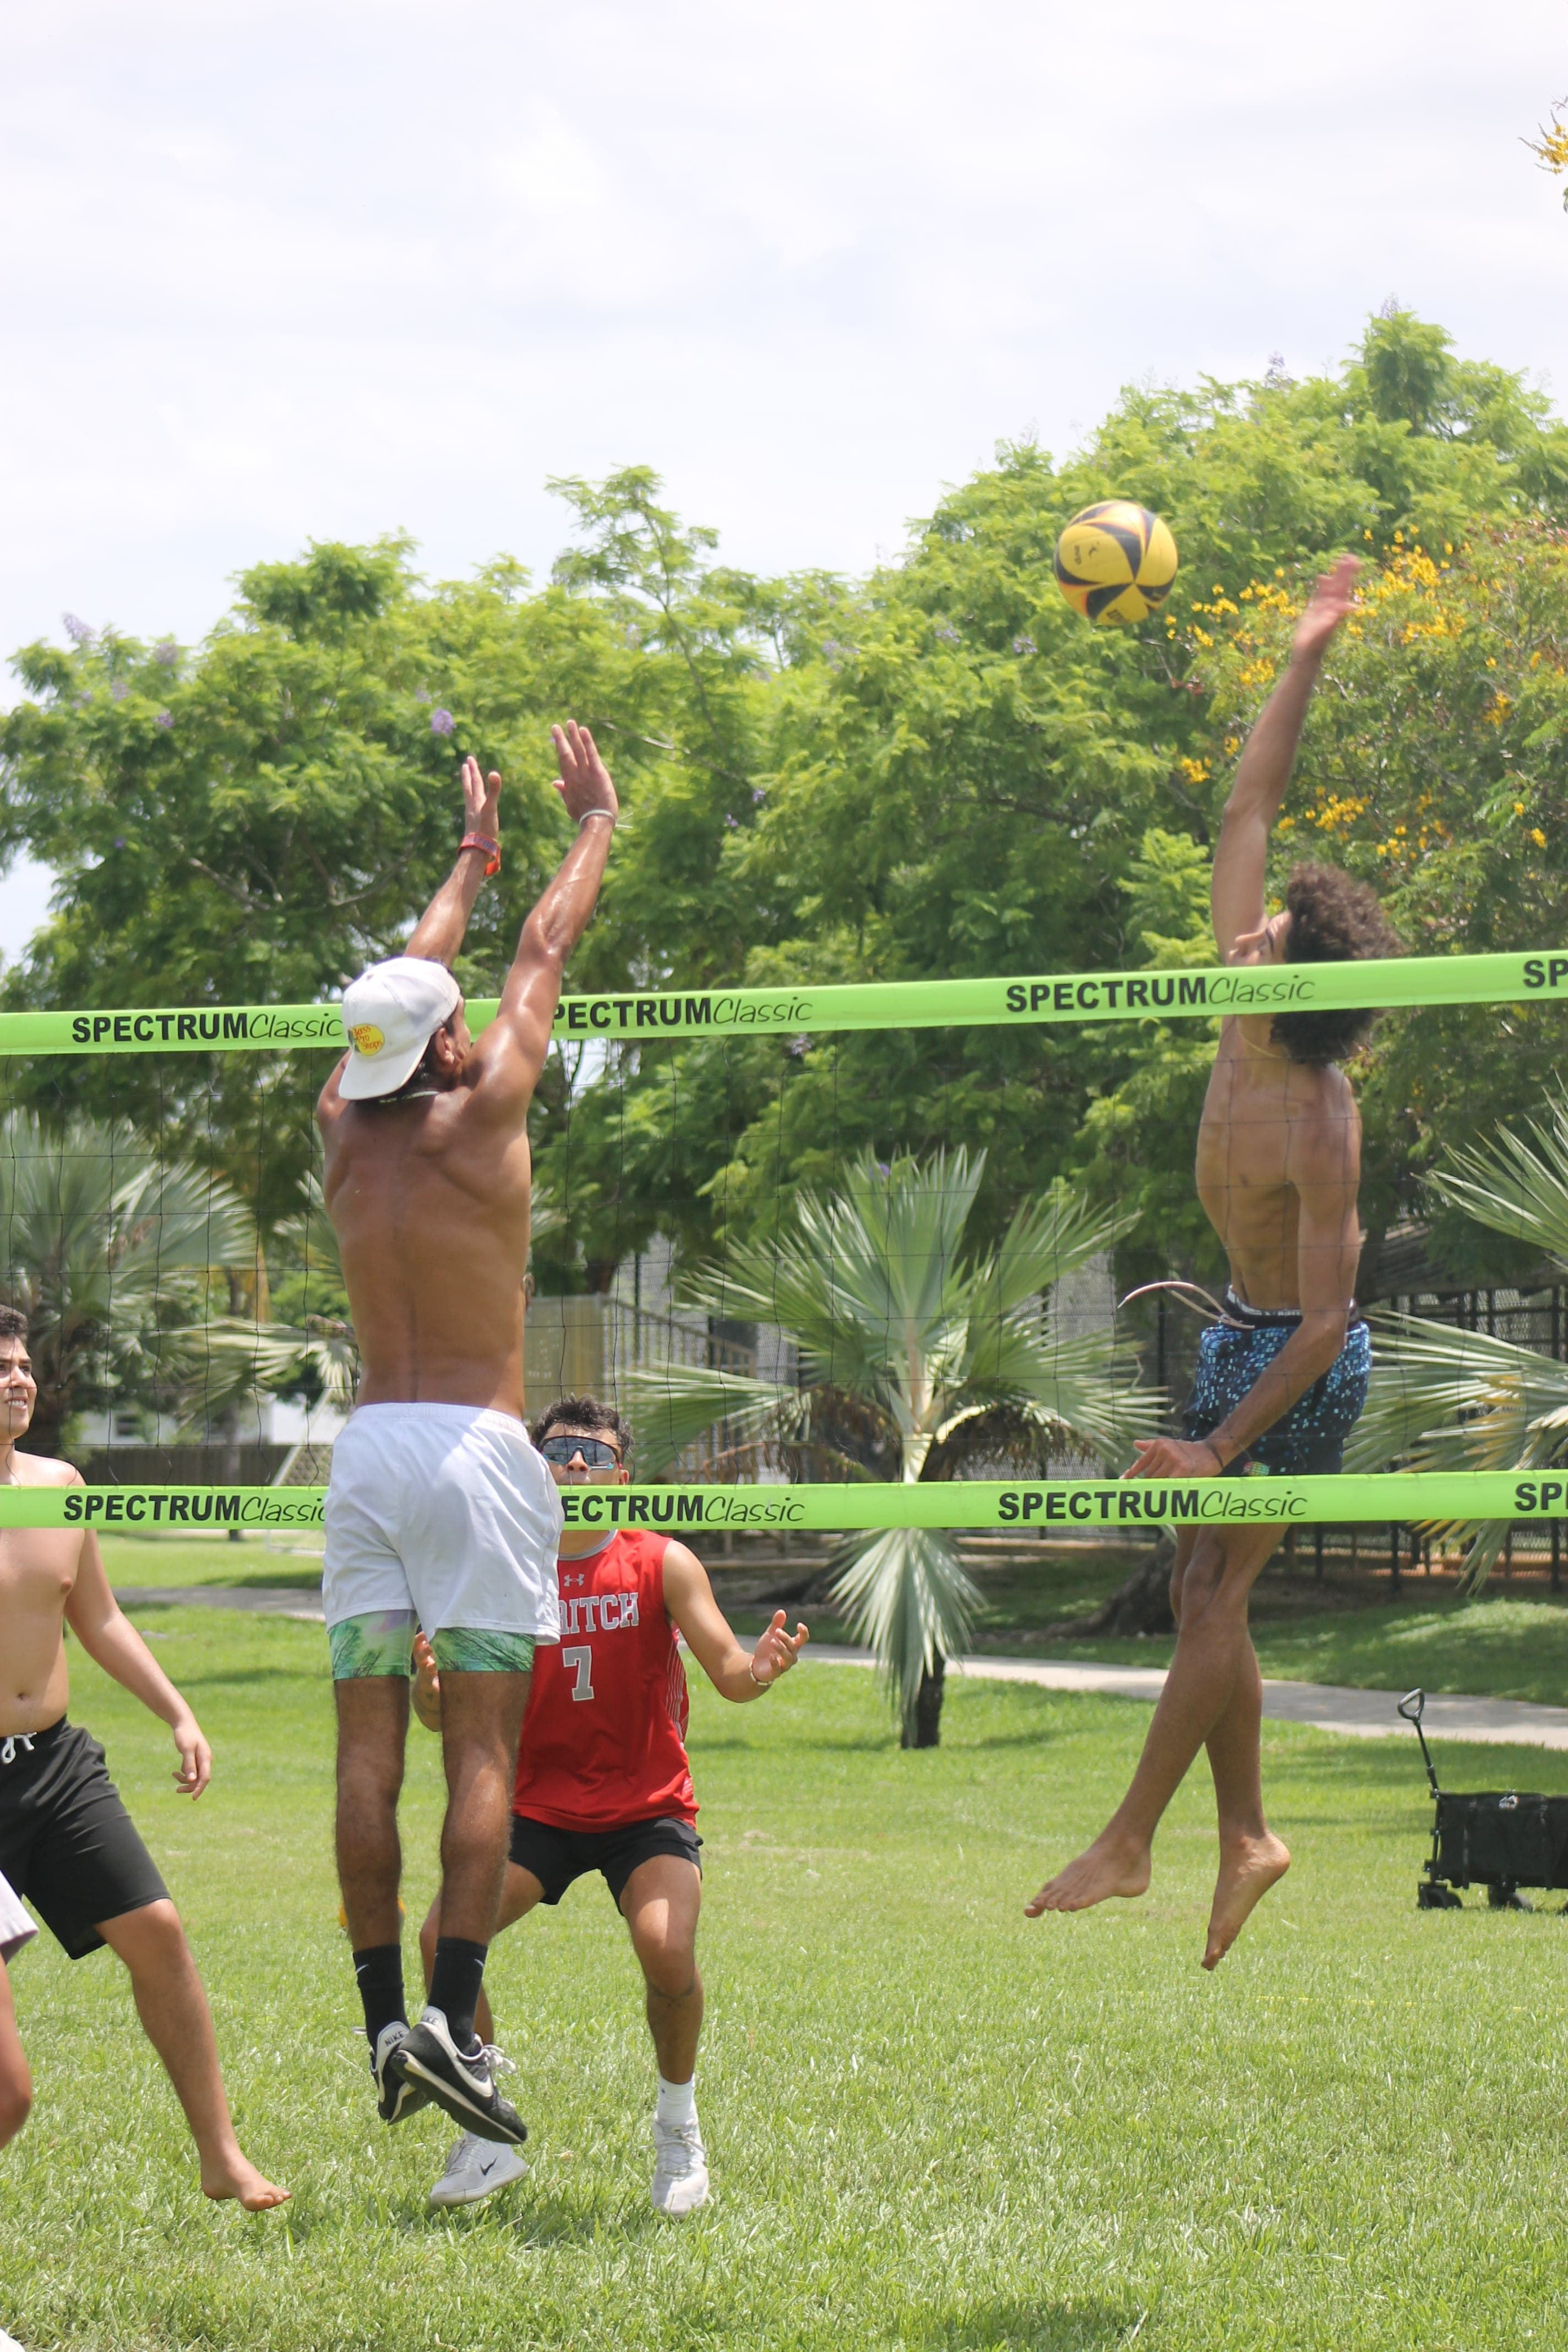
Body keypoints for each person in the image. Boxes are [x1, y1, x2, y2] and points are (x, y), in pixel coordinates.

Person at [1028, 555, 1400, 1968]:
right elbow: (1247, 805)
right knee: (1203, 1596)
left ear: (1296, 986)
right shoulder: (1236, 1013)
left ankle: (1132, 1839)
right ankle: (1245, 1835)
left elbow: (1326, 1320)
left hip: (1302, 1362)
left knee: (1208, 1595)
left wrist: (1219, 1444)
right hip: (1242, 1331)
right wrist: (1305, 650)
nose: (1244, 931)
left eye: (1271, 936)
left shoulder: (1318, 1119)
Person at [319, 726, 618, 2147]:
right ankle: (452, 2016)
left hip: (368, 1448)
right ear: (445, 1041)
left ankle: (385, 2018)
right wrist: (591, 826)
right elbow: (543, 947)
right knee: (484, 1747)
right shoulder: (485, 1106)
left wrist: (469, 855)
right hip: (475, 1453)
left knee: (365, 1751)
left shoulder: (341, 1122)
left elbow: (404, 984)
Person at [410, 1395, 808, 2214]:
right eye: (559, 1451)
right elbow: (442, 1713)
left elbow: (732, 1677)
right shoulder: (503, 1563)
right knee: (442, 1939)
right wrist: (429, 1689)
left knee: (667, 1951)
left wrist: (763, 1667)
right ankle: (484, 2134)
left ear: (623, 1478)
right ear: (533, 1472)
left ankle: (677, 2129)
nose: (575, 1465)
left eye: (595, 1455)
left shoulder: (661, 1561)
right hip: (537, 1808)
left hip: (644, 1807)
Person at [0, 1306, 287, 2209]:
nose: (18, 1378)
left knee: (158, 1929)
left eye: (22, 1364)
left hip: (54, 1765)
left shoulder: (60, 1485)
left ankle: (221, 2154)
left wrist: (179, 1713)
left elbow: (100, 1619)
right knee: (9, 2096)